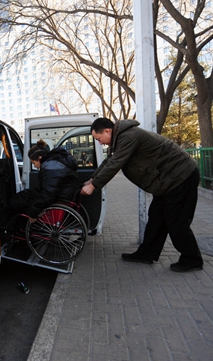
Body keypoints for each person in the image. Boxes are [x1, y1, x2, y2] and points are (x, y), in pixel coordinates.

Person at [81, 117, 203, 272]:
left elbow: (115, 164)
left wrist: (94, 186)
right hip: (166, 182)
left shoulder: (128, 137)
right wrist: (92, 179)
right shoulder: (121, 139)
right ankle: (147, 253)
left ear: (107, 131)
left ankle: (192, 259)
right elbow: (109, 162)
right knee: (156, 219)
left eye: (99, 139)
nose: (100, 143)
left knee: (176, 221)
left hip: (181, 177)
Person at [10, 140, 80, 222]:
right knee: (22, 196)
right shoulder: (54, 163)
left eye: (33, 163)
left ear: (39, 158)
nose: (35, 166)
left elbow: (48, 195)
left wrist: (33, 213)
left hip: (58, 198)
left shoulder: (50, 167)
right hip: (62, 194)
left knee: (17, 202)